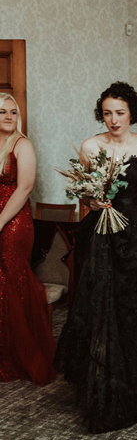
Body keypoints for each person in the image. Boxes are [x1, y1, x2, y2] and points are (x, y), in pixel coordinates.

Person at [54, 82, 137, 433]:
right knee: (98, 302)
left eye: (120, 112)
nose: (114, 119)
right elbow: (84, 195)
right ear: (100, 114)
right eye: (107, 113)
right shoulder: (91, 145)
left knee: (132, 304)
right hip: (100, 233)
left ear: (132, 112)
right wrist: (93, 201)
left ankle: (134, 379)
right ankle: (98, 380)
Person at [0, 93, 55, 385]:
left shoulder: (22, 145)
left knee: (12, 277)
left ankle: (18, 355)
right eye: (1, 112)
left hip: (15, 221)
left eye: (12, 111)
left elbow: (24, 189)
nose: (8, 116)